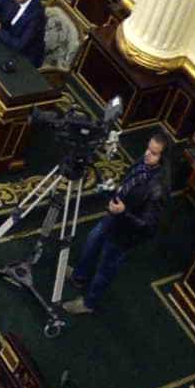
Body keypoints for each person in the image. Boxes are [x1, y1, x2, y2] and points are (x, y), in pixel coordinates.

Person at [64, 134, 172, 317]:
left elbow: (148, 226)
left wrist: (123, 212)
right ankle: (79, 277)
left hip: (125, 234)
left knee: (106, 268)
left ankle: (89, 303)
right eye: (148, 148)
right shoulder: (144, 163)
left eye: (153, 153)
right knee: (92, 241)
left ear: (162, 158)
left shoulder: (158, 189)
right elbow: (129, 179)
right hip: (114, 216)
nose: (147, 154)